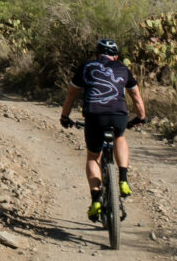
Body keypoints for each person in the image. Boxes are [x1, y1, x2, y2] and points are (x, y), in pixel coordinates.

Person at [59, 37, 147, 221]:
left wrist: (65, 116)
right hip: (118, 115)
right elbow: (137, 98)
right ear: (116, 56)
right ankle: (123, 178)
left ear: (97, 54)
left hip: (94, 115)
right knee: (120, 137)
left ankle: (96, 199)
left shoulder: (87, 67)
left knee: (93, 156)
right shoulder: (124, 69)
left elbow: (72, 94)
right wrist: (141, 117)